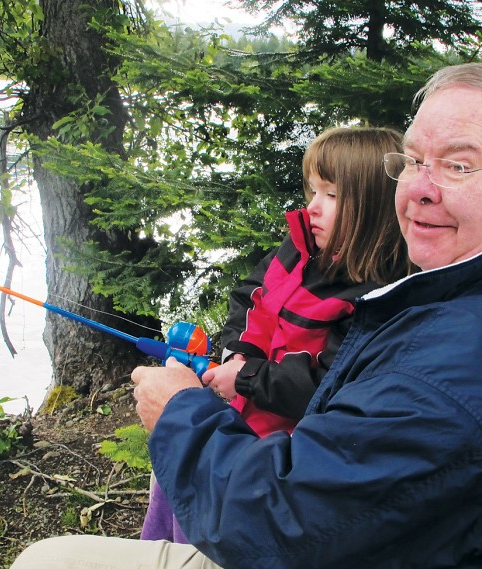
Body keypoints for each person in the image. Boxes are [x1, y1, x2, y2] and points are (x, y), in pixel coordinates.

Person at [4, 63, 482, 569]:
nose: (423, 187)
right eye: (415, 161)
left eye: (458, 164)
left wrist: (179, 414)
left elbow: (280, 533)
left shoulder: (469, 361)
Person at [141, 126, 411, 543]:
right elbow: (250, 299)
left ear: (374, 208)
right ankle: (156, 557)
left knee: (205, 503)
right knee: (175, 459)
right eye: (313, 191)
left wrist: (247, 378)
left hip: (278, 452)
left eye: (332, 195)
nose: (313, 208)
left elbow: (327, 382)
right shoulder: (299, 247)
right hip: (238, 413)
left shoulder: (374, 297)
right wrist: (236, 354)